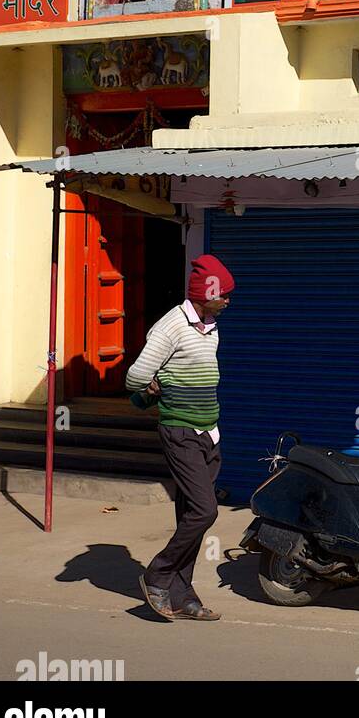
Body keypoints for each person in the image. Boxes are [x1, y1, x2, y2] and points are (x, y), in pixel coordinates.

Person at [126, 253, 235, 621]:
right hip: (180, 431)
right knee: (205, 510)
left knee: (191, 513)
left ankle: (182, 594)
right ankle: (157, 573)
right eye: (224, 295)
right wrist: (152, 389)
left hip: (209, 432)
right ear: (208, 293)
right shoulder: (171, 326)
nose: (228, 301)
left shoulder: (210, 324)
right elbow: (136, 376)